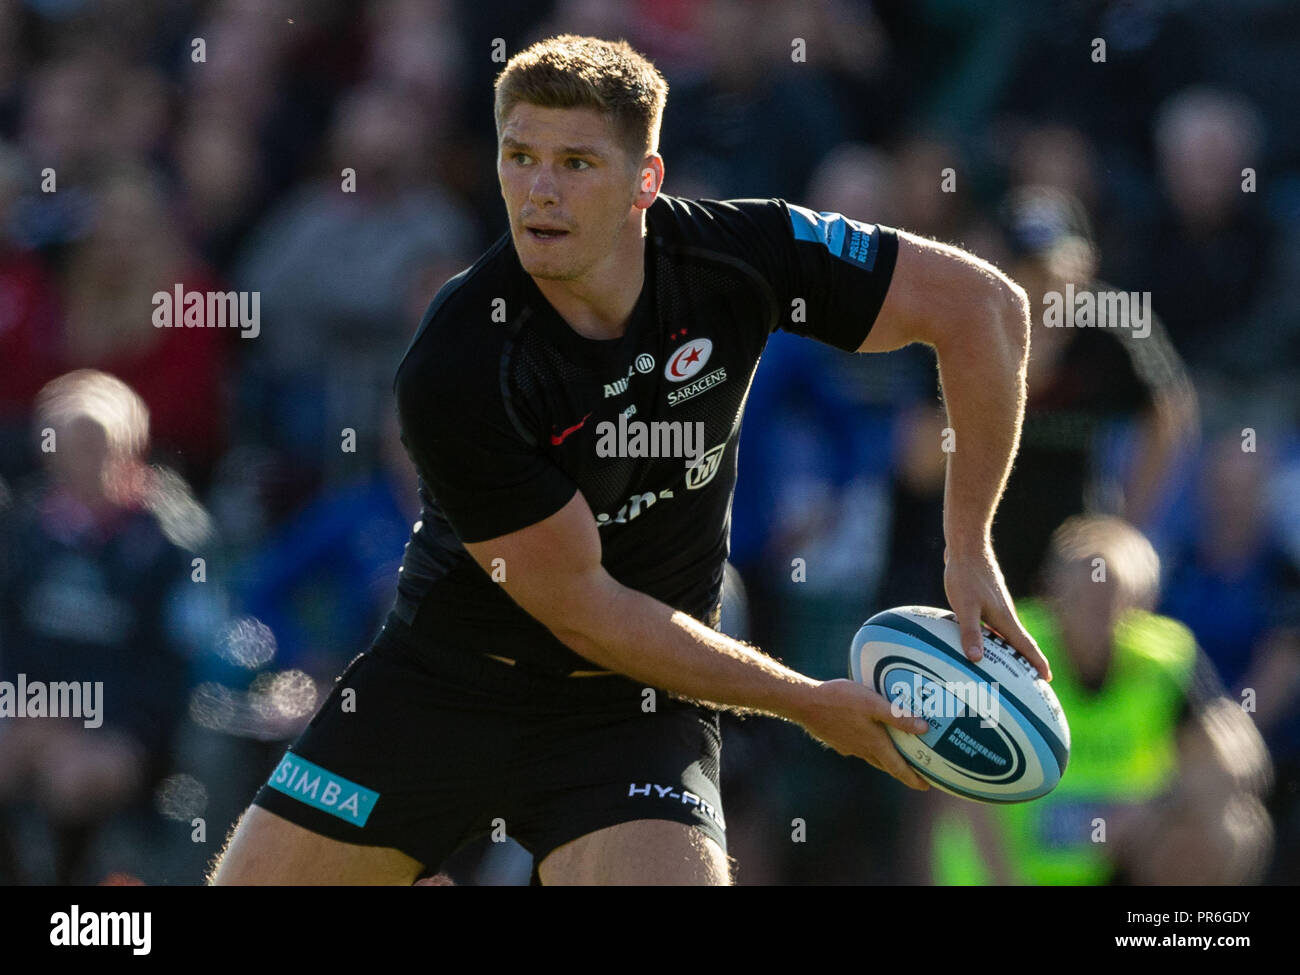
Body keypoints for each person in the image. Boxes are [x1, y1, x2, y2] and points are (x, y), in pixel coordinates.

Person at [210, 33, 1050, 887]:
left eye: (577, 162)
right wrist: (807, 701)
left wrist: (968, 543)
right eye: (519, 156)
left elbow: (985, 307)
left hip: (630, 707)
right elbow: (585, 608)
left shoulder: (739, 258)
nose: (540, 189)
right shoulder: (458, 361)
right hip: (441, 685)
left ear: (647, 180)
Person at [926, 515, 1273, 885]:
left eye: (1113, 602)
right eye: (1083, 598)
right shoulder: (1002, 651)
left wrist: (1156, 802)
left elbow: (1238, 765)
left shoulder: (1162, 659)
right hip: (994, 871)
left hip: (1106, 866)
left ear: (1140, 606)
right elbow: (964, 791)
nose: (1098, 615)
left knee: (1232, 823)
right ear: (1052, 594)